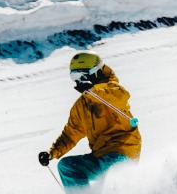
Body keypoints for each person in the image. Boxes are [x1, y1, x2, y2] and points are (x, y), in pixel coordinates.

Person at [38, 51, 141, 187]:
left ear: (96, 71)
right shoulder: (81, 105)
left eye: (83, 75)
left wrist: (92, 90)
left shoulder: (112, 90)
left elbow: (120, 98)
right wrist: (51, 153)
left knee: (110, 171)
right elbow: (71, 134)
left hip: (122, 151)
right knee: (67, 166)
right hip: (100, 156)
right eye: (74, 75)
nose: (79, 79)